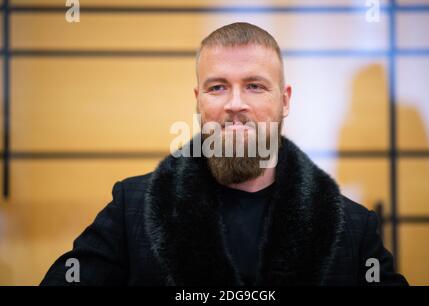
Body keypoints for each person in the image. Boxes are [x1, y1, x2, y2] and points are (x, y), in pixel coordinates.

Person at [41, 22, 408, 286]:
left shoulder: (353, 227)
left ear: (284, 101)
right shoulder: (131, 207)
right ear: (198, 100)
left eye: (254, 86)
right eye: (218, 87)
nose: (235, 104)